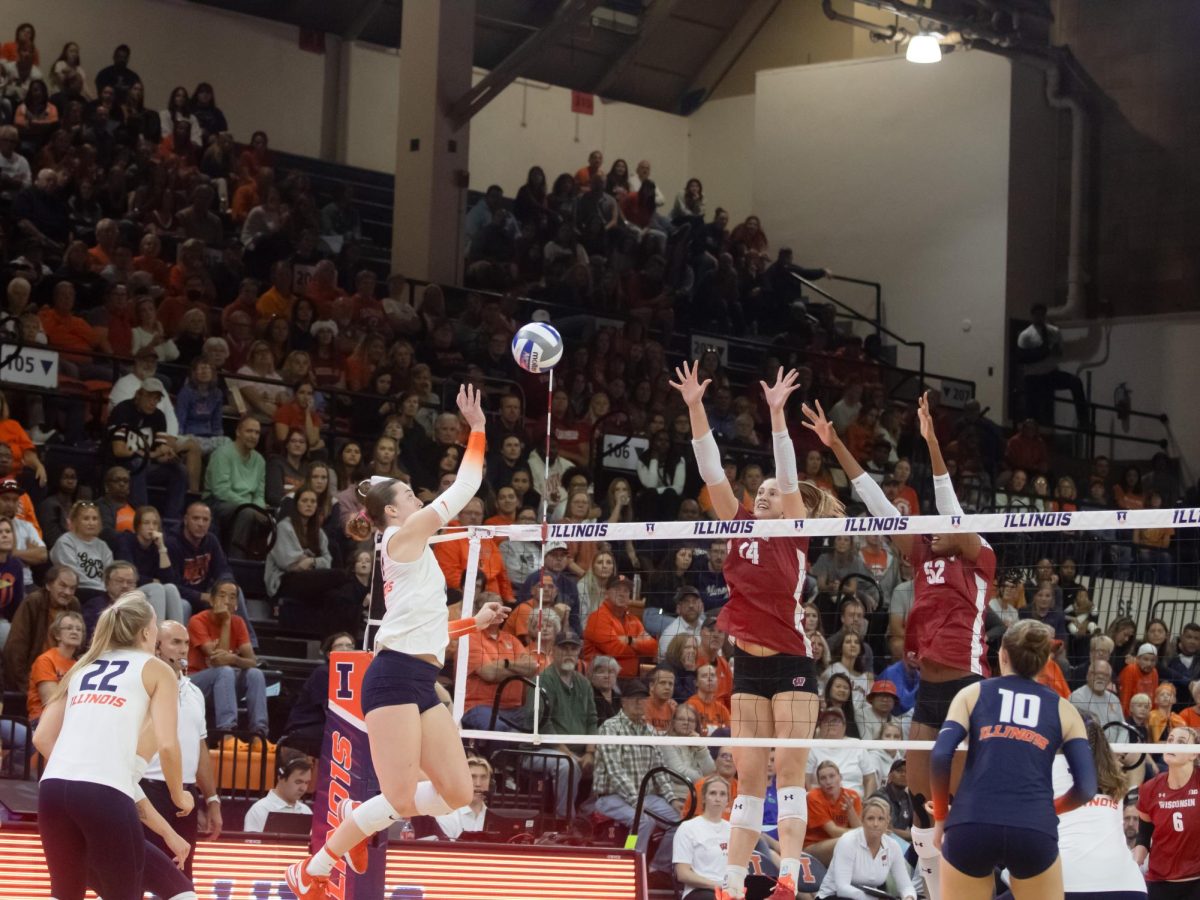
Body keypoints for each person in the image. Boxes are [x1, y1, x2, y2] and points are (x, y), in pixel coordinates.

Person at [286, 385, 506, 898]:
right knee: (400, 799)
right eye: (408, 495)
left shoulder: (415, 551)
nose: (418, 497)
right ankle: (314, 868)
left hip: (420, 676)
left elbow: (423, 630)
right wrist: (477, 429)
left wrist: (472, 624)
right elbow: (467, 486)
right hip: (389, 679)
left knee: (456, 793)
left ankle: (358, 816)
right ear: (391, 513)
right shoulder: (403, 538)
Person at [804, 391, 995, 900]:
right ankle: (932, 889)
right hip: (928, 689)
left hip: (966, 687)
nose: (932, 521)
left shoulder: (980, 556)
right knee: (917, 801)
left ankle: (967, 883)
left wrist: (932, 442)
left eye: (941, 519)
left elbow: (948, 500)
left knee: (950, 801)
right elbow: (873, 498)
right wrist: (836, 443)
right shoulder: (920, 551)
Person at [674, 362, 843, 900]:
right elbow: (712, 473)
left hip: (792, 662)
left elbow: (790, 475)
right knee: (749, 780)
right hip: (747, 664)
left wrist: (776, 415)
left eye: (773, 490)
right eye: (762, 490)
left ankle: (789, 876)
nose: (766, 493)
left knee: (790, 776)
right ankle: (730, 882)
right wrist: (696, 406)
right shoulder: (739, 525)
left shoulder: (794, 532)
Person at [33, 592, 192, 900]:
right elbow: (169, 744)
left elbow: (41, 737)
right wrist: (178, 795)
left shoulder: (83, 665)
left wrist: (79, 768)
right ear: (148, 631)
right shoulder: (157, 669)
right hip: (103, 795)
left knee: (65, 893)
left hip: (52, 790)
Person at [930, 620, 1096, 900]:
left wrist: (940, 818)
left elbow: (940, 755)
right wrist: (1049, 809)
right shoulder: (1065, 710)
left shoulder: (972, 693)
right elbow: (1087, 788)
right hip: (1033, 827)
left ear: (1002, 654)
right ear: (1046, 661)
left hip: (972, 822)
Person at [140, 619, 221, 879]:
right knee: (139, 873)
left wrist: (212, 799)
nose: (184, 648)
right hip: (148, 789)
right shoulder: (142, 685)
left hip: (185, 794)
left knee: (183, 874)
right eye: (175, 642)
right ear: (157, 647)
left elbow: (199, 748)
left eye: (186, 643)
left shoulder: (195, 692)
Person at [593, 678, 683, 875]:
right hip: (610, 797)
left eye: (642, 698)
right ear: (623, 701)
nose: (638, 702)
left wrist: (672, 798)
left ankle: (657, 868)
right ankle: (630, 867)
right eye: (633, 698)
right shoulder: (610, 729)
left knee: (680, 823)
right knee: (643, 821)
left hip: (645, 797)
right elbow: (615, 772)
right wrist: (637, 801)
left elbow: (660, 770)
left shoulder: (650, 731)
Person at [1054, 714, 1148, 899]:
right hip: (1128, 886)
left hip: (1069, 881)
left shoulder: (1050, 765)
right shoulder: (1114, 774)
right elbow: (1136, 761)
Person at [187, 577, 268, 735]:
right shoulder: (197, 621)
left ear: (237, 604)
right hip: (195, 683)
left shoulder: (238, 622)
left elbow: (252, 661)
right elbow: (217, 661)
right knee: (225, 671)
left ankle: (260, 734)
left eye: (232, 597)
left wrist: (235, 659)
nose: (227, 601)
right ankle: (227, 732)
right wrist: (225, 622)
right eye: (222, 595)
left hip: (224, 683)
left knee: (255, 674)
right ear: (211, 600)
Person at [1135, 726, 1200, 897]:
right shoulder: (1150, 788)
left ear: (1194, 753)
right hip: (1160, 883)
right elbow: (1143, 836)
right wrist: (1134, 863)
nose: (1172, 744)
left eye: (1180, 742)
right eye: (1170, 740)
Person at [815, 795, 916, 900]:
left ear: (887, 822)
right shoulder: (848, 841)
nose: (875, 824)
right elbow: (842, 888)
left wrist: (909, 897)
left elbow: (906, 885)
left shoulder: (893, 846)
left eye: (881, 819)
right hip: (833, 896)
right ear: (862, 820)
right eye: (870, 818)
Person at [674, 777, 734, 900]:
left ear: (728, 800)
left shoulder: (733, 830)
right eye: (712, 793)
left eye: (722, 794)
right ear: (704, 797)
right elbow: (682, 873)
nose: (717, 798)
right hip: (699, 891)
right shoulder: (688, 828)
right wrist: (717, 885)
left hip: (730, 892)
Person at [26, 610, 83, 724]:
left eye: (79, 629)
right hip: (42, 721)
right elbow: (51, 701)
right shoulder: (45, 660)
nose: (74, 632)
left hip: (70, 719)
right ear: (57, 635)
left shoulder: (80, 665)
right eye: (69, 628)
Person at [243, 758, 314, 833]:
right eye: (298, 782)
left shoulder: (306, 811)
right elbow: (251, 844)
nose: (303, 788)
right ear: (281, 778)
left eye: (307, 783)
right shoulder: (260, 809)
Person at [435, 756, 493, 840]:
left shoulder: (495, 819)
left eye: (483, 777)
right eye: (472, 777)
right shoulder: (447, 816)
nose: (478, 783)